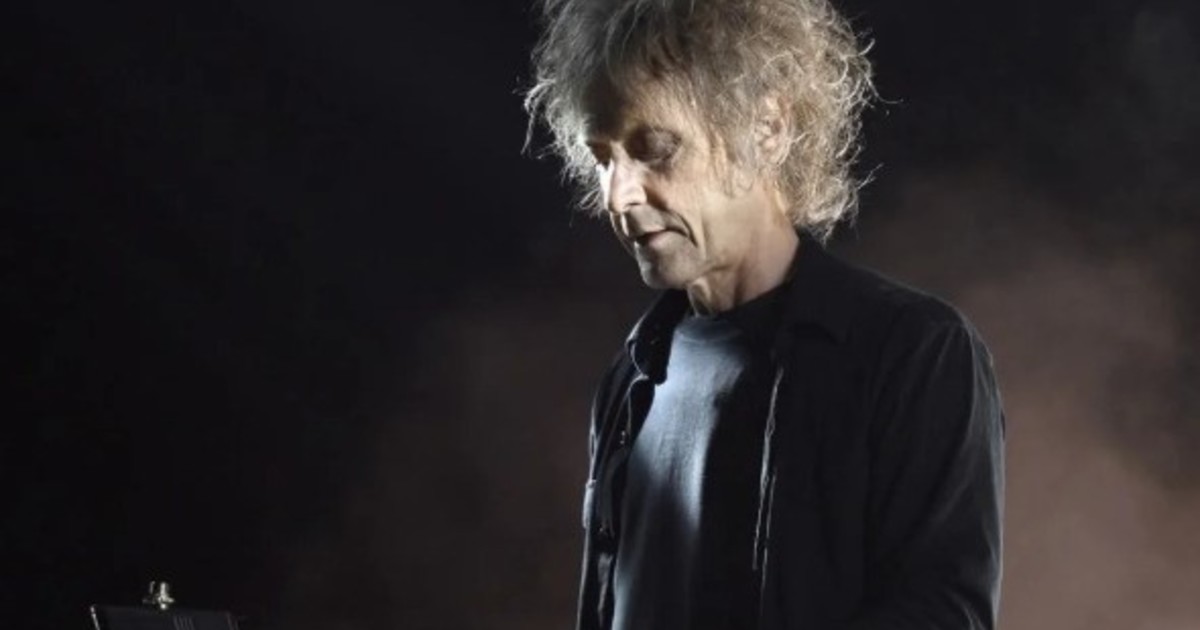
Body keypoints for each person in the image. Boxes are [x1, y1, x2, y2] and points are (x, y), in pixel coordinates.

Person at [523, 1, 1006, 629]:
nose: (619, 195)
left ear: (767, 128)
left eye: (655, 148)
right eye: (604, 158)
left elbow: (941, 617)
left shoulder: (916, 354)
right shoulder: (633, 376)